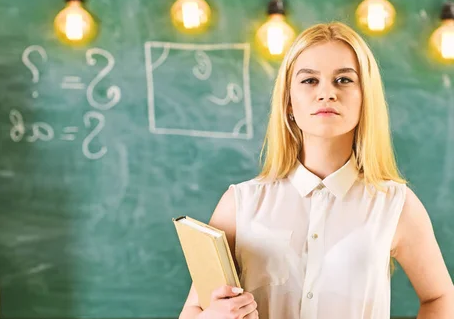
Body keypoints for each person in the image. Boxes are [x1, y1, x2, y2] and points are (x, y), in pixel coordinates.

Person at [179, 22, 454, 319]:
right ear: (288, 102)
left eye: (344, 80)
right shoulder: (239, 204)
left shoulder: (396, 204)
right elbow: (194, 310)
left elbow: (440, 296)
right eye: (309, 81)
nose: (326, 93)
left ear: (366, 98)